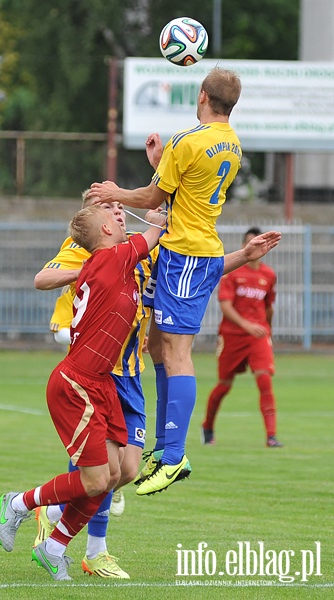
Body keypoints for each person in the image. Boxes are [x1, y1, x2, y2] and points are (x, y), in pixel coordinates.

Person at [88, 66, 246, 495]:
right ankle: (164, 448)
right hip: (192, 250)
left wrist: (113, 192)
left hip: (187, 255)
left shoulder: (187, 140)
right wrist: (162, 163)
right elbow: (187, 187)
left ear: (201, 95)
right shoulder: (230, 142)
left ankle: (174, 456)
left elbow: (154, 198)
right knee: (157, 343)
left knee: (176, 353)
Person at [0, 204, 166, 582]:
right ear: (106, 229)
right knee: (94, 480)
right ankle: (20, 502)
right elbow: (156, 230)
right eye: (115, 214)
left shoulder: (109, 262)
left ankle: (53, 547)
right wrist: (168, 206)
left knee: (113, 475)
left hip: (102, 381)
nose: (122, 217)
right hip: (77, 383)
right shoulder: (111, 257)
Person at [202, 227, 283, 448]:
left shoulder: (269, 275)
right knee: (224, 385)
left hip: (257, 336)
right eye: (251, 242)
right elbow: (226, 306)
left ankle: (271, 436)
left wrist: (268, 331)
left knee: (264, 379)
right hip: (232, 336)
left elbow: (269, 308)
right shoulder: (232, 274)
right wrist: (247, 325)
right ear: (244, 245)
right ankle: (207, 426)